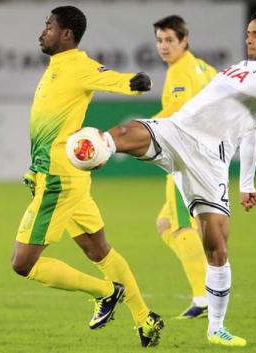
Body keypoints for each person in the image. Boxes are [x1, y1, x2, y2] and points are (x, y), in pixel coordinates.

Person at [69, 11, 256, 347]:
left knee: (216, 245)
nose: (248, 38)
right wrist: (248, 183)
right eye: (248, 33)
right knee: (125, 131)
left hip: (209, 160)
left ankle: (216, 327)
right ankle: (95, 150)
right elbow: (251, 129)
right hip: (179, 130)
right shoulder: (236, 68)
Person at [10, 6, 164, 348]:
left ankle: (108, 292)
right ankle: (145, 318)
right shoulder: (56, 68)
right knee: (99, 251)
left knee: (23, 264)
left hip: (58, 180)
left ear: (66, 34)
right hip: (64, 178)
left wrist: (134, 83)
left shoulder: (78, 65)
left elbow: (112, 78)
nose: (42, 32)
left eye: (48, 27)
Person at [152, 15, 216, 319]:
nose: (163, 46)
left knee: (180, 228)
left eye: (169, 40)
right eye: (160, 40)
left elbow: (174, 113)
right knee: (165, 224)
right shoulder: (203, 68)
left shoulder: (180, 71)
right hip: (204, 155)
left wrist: (140, 128)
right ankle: (207, 282)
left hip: (185, 158)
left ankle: (204, 297)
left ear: (183, 40)